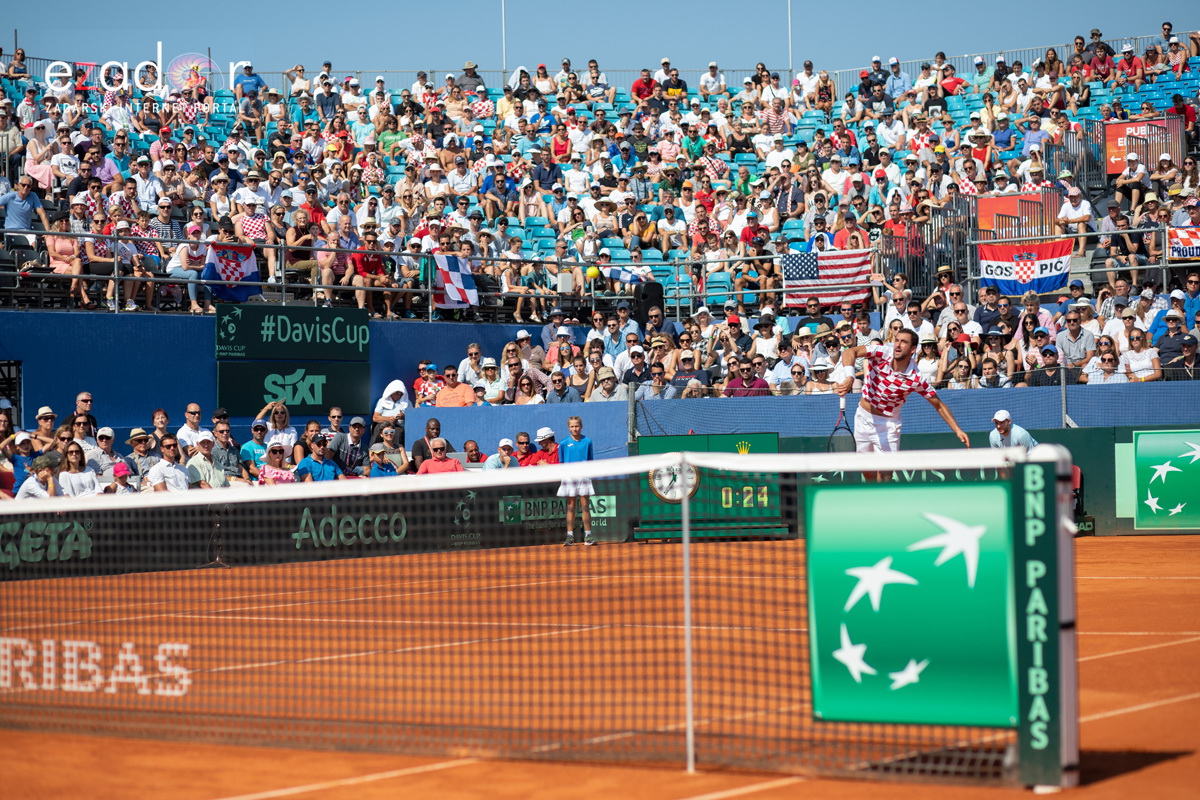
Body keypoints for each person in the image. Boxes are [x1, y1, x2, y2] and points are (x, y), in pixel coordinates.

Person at [837, 330, 969, 479]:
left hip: (888, 425)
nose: (898, 345)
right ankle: (874, 496)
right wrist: (850, 376)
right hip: (863, 418)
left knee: (886, 474)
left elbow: (938, 405)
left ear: (913, 349)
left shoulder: (916, 378)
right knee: (867, 471)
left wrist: (958, 430)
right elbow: (850, 352)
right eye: (897, 340)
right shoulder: (881, 352)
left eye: (904, 342)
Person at [557, 417, 596, 546]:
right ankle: (569, 536)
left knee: (585, 506)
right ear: (569, 427)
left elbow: (590, 460)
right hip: (569, 476)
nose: (574, 429)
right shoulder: (563, 443)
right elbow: (562, 461)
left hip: (584, 476)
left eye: (577, 426)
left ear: (581, 426)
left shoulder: (588, 441)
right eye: (572, 426)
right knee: (571, 507)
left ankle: (588, 536)